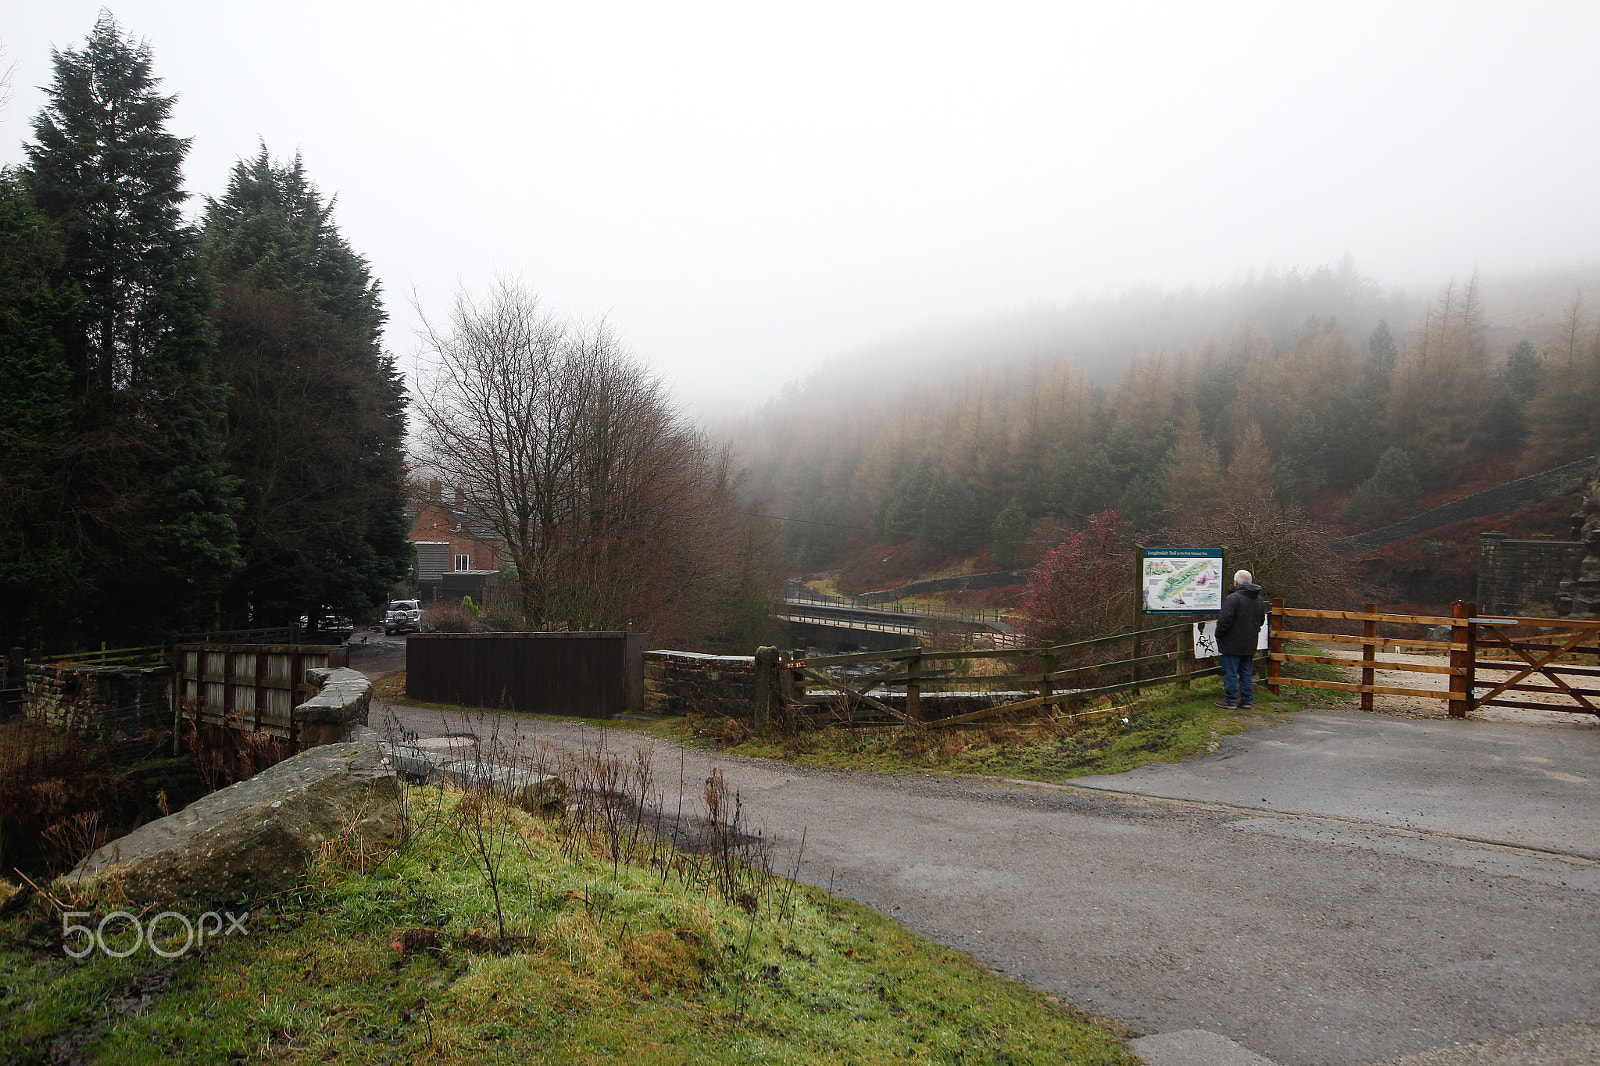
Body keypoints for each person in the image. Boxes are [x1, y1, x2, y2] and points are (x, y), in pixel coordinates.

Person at [1214, 569, 1266, 709]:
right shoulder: (1259, 599)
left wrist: (1218, 634)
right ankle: (1247, 700)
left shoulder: (1233, 599)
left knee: (1230, 673)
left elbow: (1224, 621)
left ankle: (1230, 700)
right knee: (1246, 673)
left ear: (1236, 582)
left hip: (1232, 642)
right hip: (1250, 642)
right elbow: (1261, 620)